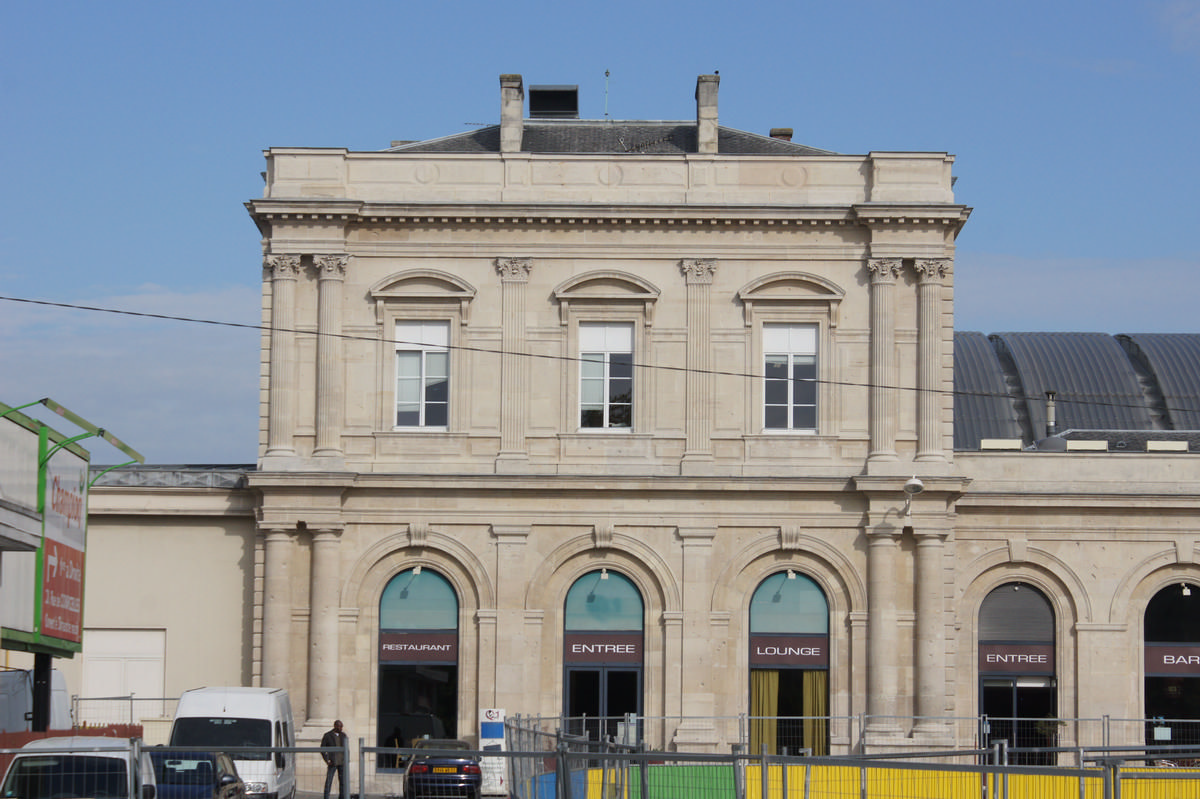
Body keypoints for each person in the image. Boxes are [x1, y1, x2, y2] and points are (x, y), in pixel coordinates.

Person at [321, 720, 347, 799]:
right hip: (332, 762)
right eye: (340, 726)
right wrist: (327, 760)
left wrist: (346, 759)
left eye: (342, 726)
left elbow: (346, 748)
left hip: (342, 762)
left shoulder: (343, 735)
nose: (341, 728)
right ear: (335, 726)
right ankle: (326, 797)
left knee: (342, 782)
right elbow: (322, 749)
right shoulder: (327, 735)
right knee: (329, 781)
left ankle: (342, 797)